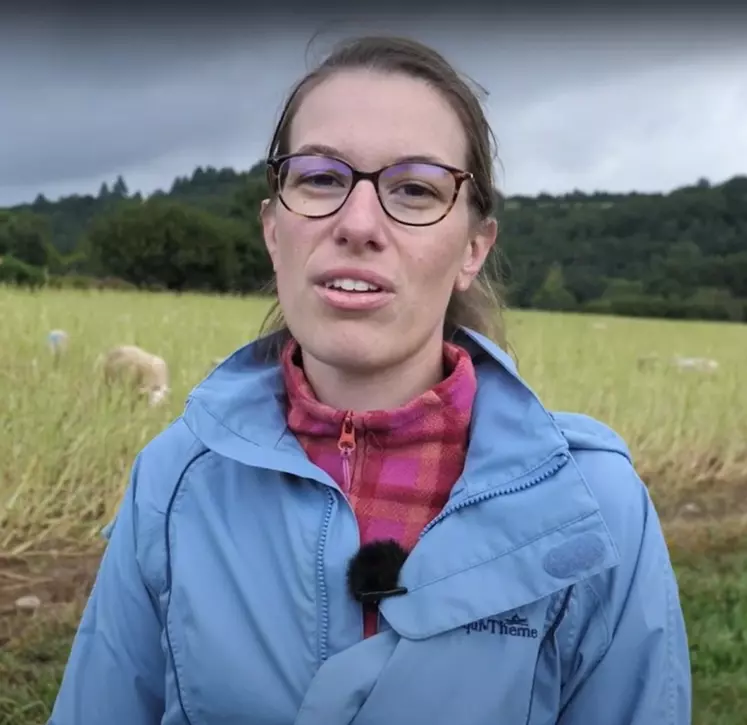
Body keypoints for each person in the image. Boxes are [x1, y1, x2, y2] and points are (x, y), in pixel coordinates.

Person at [49, 34, 692, 725]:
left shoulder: (595, 510)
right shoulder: (173, 484)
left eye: (414, 189)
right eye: (320, 178)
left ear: (472, 248)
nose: (357, 223)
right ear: (274, 230)